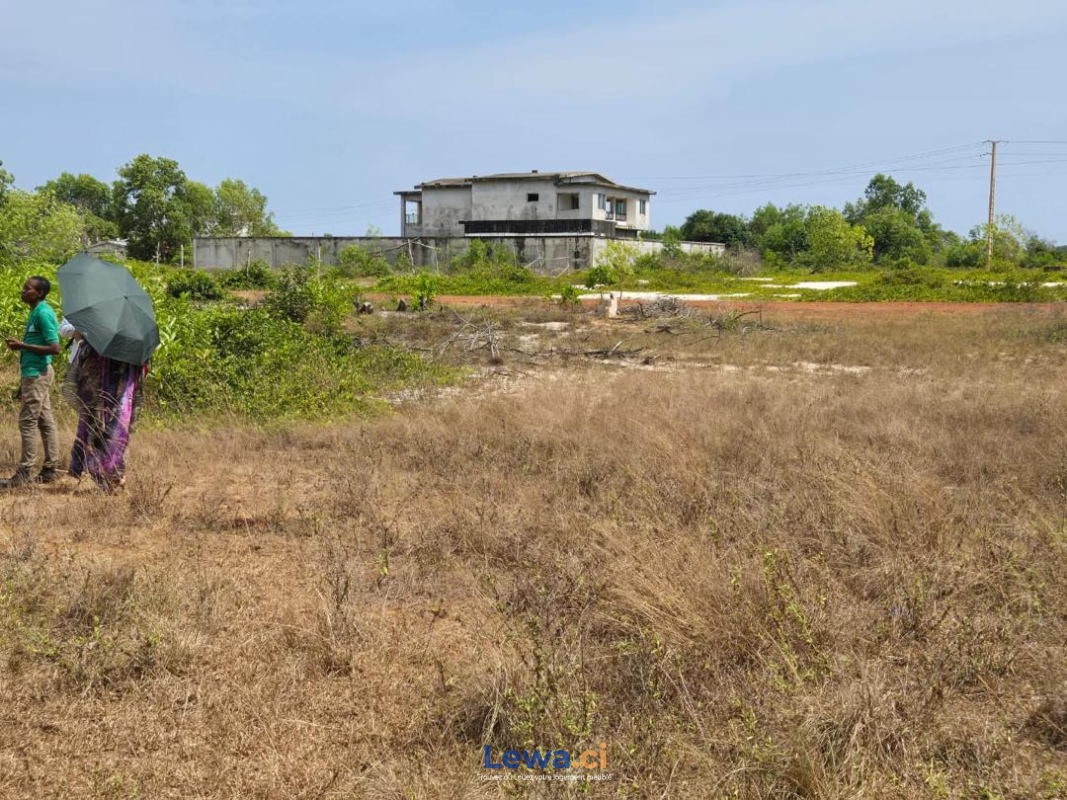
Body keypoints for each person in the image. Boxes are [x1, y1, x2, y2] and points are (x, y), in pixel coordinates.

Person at [5, 276, 61, 486]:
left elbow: (54, 348)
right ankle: (50, 470)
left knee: (27, 422)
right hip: (34, 373)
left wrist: (22, 346)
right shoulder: (36, 311)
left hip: (37, 373)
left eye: (27, 288)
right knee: (45, 421)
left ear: (39, 293)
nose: (23, 291)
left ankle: (24, 472)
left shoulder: (43, 313)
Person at [68, 344, 148, 491]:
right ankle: (110, 475)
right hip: (105, 393)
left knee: (113, 434)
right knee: (102, 432)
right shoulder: (129, 343)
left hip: (119, 393)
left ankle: (110, 475)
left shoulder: (105, 341)